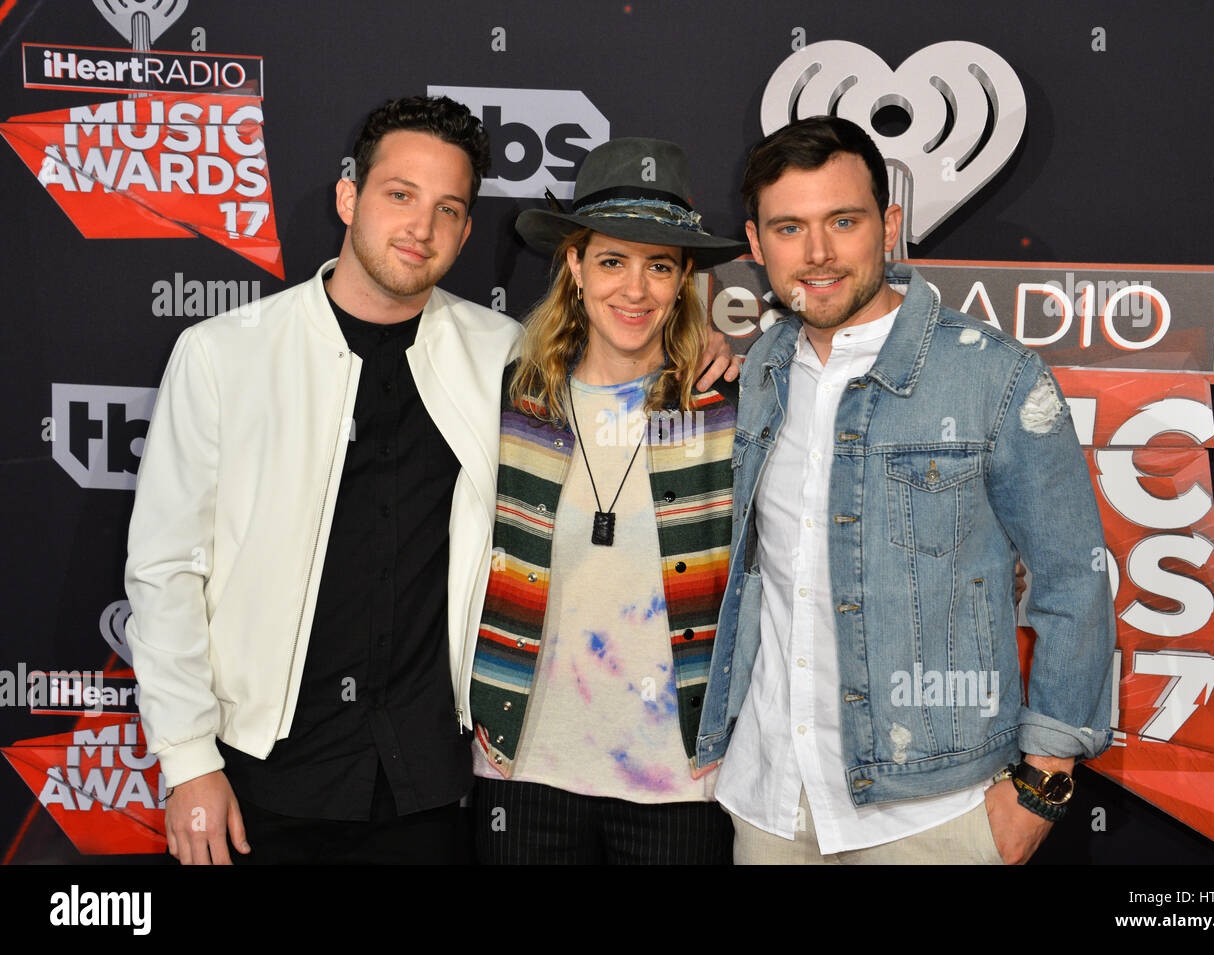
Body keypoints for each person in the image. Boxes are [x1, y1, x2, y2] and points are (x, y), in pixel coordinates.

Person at [125, 98, 738, 865]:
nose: (421, 227)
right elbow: (164, 570)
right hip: (265, 773)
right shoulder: (223, 355)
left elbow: (624, 354)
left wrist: (707, 343)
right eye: (399, 195)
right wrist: (187, 760)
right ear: (349, 197)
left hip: (428, 786)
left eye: (448, 208)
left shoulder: (502, 357)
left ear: (466, 229)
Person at [696, 116, 1116, 864]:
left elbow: (1072, 581)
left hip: (932, 813)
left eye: (844, 221)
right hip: (768, 799)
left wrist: (1042, 785)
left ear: (889, 226)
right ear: (756, 246)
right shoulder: (760, 370)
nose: (818, 253)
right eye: (789, 228)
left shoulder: (994, 375)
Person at [469, 138, 748, 863]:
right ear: (573, 264)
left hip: (683, 778)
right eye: (612, 261)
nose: (636, 289)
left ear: (685, 276)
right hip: (520, 767)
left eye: (660, 265)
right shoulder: (509, 402)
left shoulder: (723, 406)